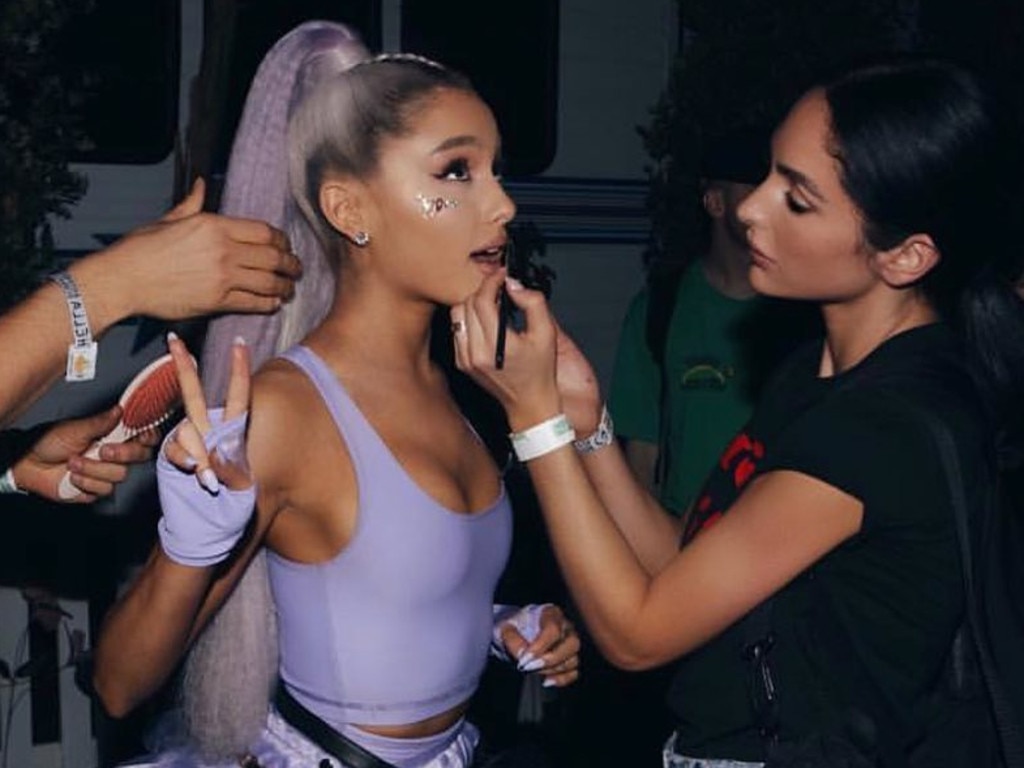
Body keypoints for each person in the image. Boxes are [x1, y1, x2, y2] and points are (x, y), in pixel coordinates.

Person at [451, 56, 1024, 766]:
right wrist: (586, 425)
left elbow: (638, 634)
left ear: (905, 257)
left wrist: (533, 422)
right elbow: (688, 562)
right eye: (770, 171)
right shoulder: (812, 371)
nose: (751, 206)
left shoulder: (883, 426)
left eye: (798, 198)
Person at [91, 21, 580, 768]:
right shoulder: (287, 411)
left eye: (496, 171)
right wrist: (187, 549)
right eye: (456, 172)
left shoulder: (462, 384)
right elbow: (121, 687)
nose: (504, 205)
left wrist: (500, 622)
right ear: (350, 211)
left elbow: (384, 586)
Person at [609, 129, 818, 514]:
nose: (768, 204)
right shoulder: (660, 307)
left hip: (777, 537)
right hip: (682, 536)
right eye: (753, 187)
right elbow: (641, 446)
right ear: (715, 202)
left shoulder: (803, 312)